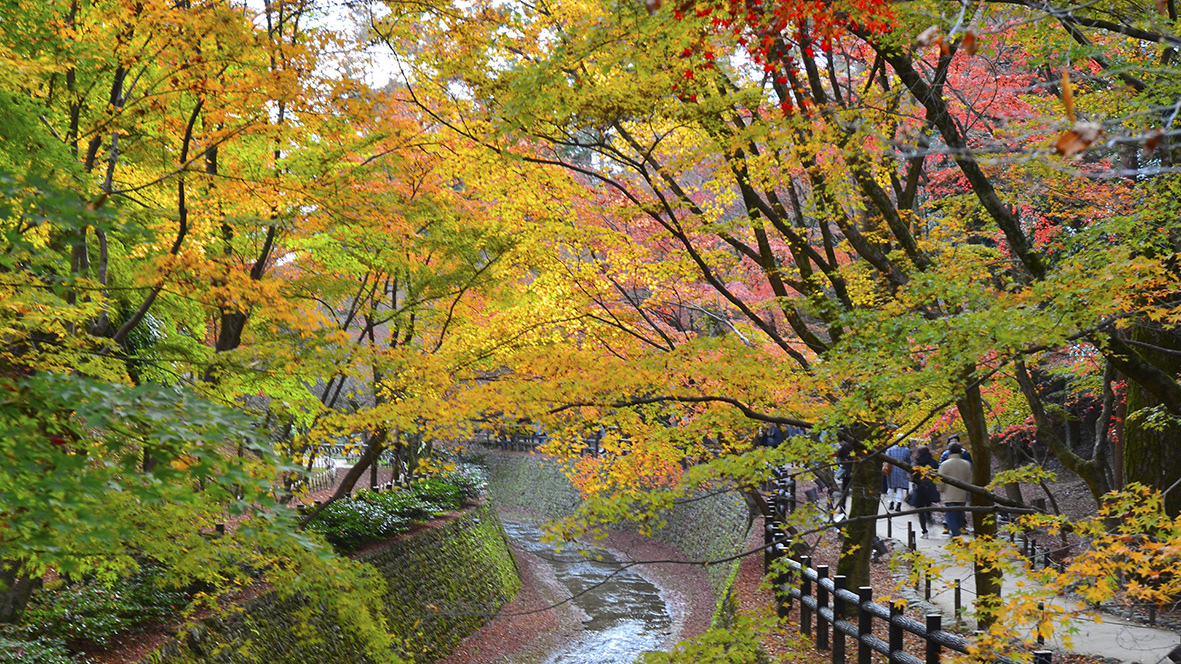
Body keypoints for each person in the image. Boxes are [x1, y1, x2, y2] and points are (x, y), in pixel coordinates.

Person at [938, 442, 973, 539]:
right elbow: (970, 480)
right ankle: (956, 534)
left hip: (949, 494)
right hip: (962, 494)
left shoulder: (945, 465)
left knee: (950, 516)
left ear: (949, 451)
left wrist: (940, 490)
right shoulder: (967, 464)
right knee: (958, 515)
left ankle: (956, 536)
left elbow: (940, 480)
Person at [910, 445, 940, 537]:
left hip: (920, 488)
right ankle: (930, 522)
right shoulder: (933, 462)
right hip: (930, 488)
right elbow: (937, 475)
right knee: (928, 507)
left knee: (920, 510)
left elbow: (913, 478)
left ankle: (924, 531)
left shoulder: (916, 464)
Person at [884, 442, 911, 512]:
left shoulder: (890, 449)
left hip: (891, 471)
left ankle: (891, 502)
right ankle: (898, 504)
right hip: (902, 471)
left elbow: (885, 459)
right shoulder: (906, 450)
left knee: (891, 487)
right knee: (900, 488)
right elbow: (909, 461)